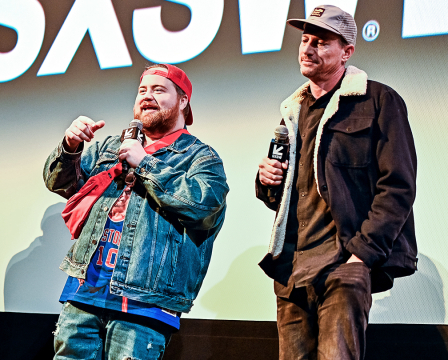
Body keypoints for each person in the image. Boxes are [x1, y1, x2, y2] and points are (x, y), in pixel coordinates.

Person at [255, 5, 417, 359]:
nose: (308, 48)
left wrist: (361, 256)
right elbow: (292, 194)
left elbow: (398, 186)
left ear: (347, 52)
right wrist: (267, 181)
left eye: (321, 42)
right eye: (305, 39)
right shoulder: (292, 110)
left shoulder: (378, 100)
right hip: (293, 272)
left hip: (343, 265)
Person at [44, 64, 229, 359]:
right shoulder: (109, 147)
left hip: (145, 301)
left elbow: (203, 207)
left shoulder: (200, 158)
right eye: (142, 90)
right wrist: (70, 147)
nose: (147, 96)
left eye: (159, 90)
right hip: (85, 292)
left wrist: (145, 164)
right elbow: (58, 183)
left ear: (183, 101)